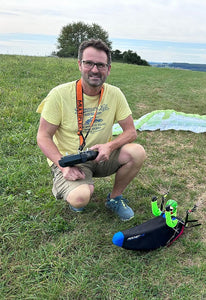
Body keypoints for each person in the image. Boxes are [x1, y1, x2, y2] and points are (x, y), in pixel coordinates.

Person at [36, 39, 146, 221]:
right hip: (71, 161)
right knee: (81, 198)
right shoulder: (59, 94)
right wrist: (62, 166)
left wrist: (110, 147)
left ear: (108, 69)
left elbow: (131, 132)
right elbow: (43, 136)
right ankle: (73, 186)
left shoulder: (115, 94)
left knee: (137, 152)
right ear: (80, 64)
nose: (95, 70)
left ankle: (115, 198)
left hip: (101, 155)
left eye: (101, 65)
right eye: (89, 63)